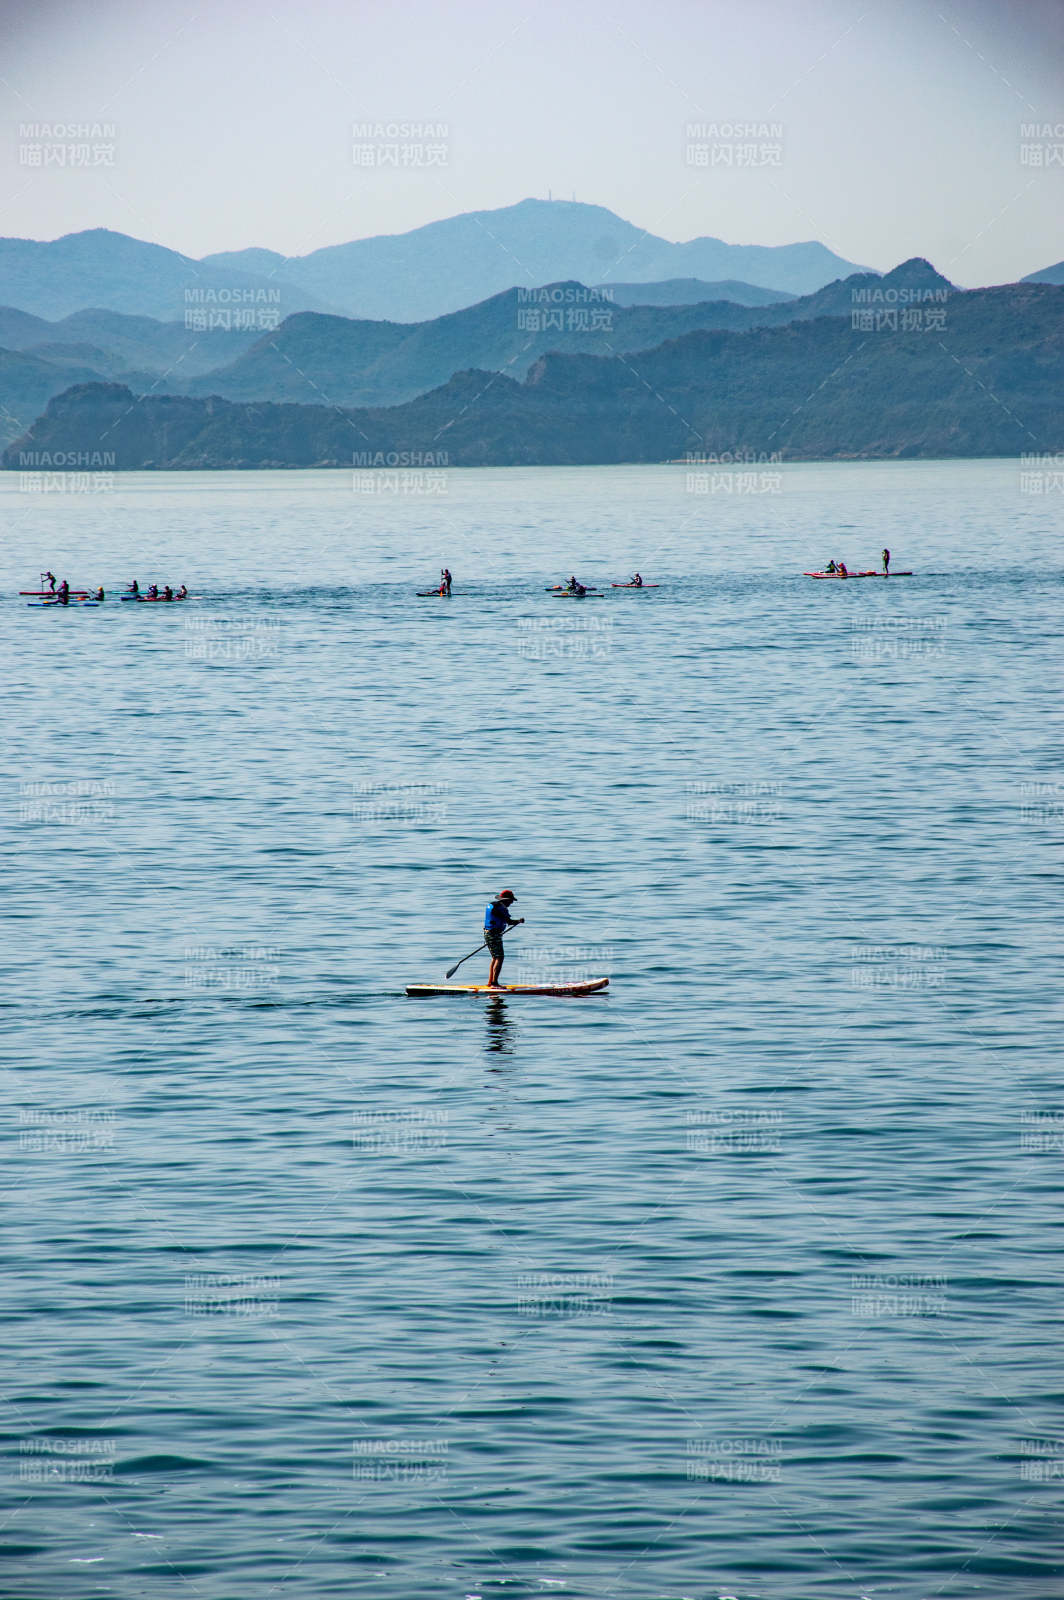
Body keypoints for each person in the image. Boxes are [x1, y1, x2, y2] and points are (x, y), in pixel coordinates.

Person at [484, 889, 523, 989]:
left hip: (487, 933)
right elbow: (509, 922)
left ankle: (490, 982)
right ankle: (494, 983)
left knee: (495, 958)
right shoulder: (502, 908)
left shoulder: (493, 905)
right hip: (494, 935)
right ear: (506, 900)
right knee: (499, 958)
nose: (512, 903)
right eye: (511, 901)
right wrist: (519, 921)